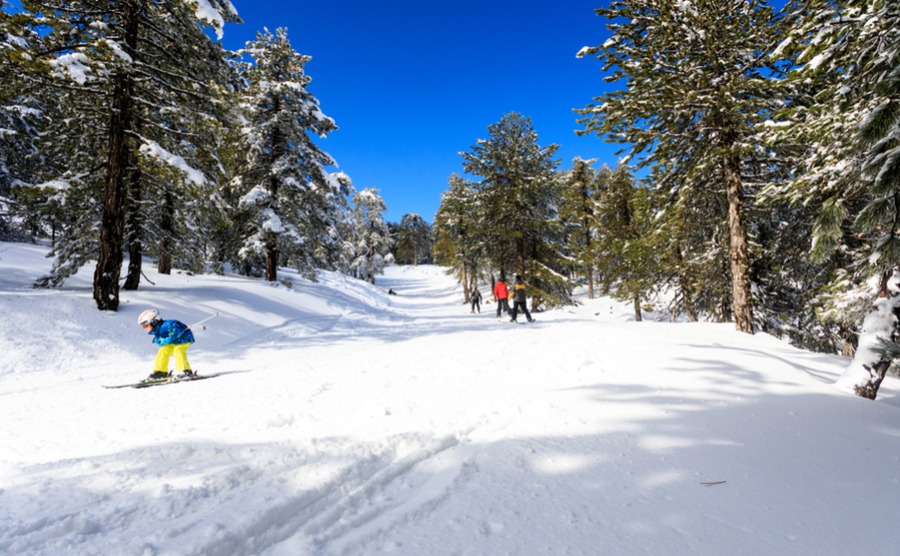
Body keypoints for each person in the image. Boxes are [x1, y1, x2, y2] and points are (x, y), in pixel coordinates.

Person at [138, 309, 195, 380]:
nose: (144, 328)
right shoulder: (157, 330)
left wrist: (167, 339)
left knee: (178, 350)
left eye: (145, 325)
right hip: (173, 342)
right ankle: (160, 372)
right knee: (163, 350)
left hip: (183, 339)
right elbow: (162, 340)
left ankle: (186, 371)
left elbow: (177, 329)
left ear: (154, 322)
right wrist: (160, 340)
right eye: (142, 326)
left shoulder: (168, 324)